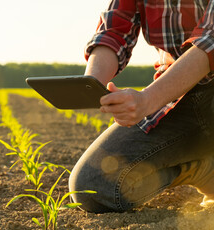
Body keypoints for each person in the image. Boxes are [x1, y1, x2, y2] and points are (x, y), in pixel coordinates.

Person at [68, 0, 214, 213]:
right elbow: (113, 32)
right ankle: (204, 169)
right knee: (94, 186)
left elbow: (210, 42)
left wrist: (147, 100)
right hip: (177, 93)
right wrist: (92, 84)